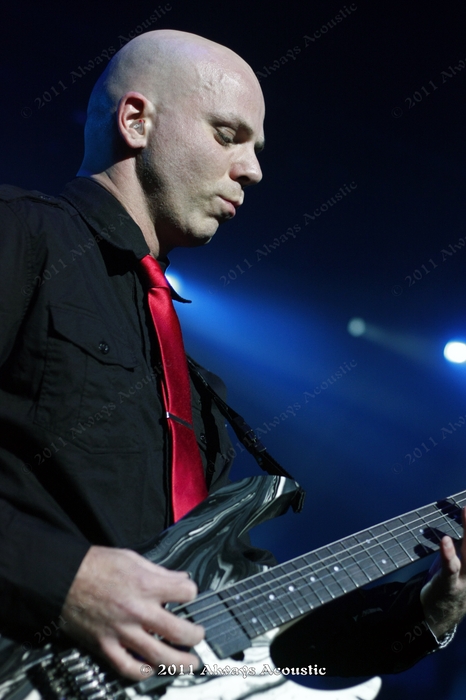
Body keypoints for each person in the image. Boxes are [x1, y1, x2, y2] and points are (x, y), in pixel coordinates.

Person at [0, 29, 465, 684]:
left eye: (255, 148)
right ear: (136, 121)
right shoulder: (20, 234)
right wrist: (64, 580)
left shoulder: (193, 391)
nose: (252, 170)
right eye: (227, 135)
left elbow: (255, 643)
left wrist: (429, 610)